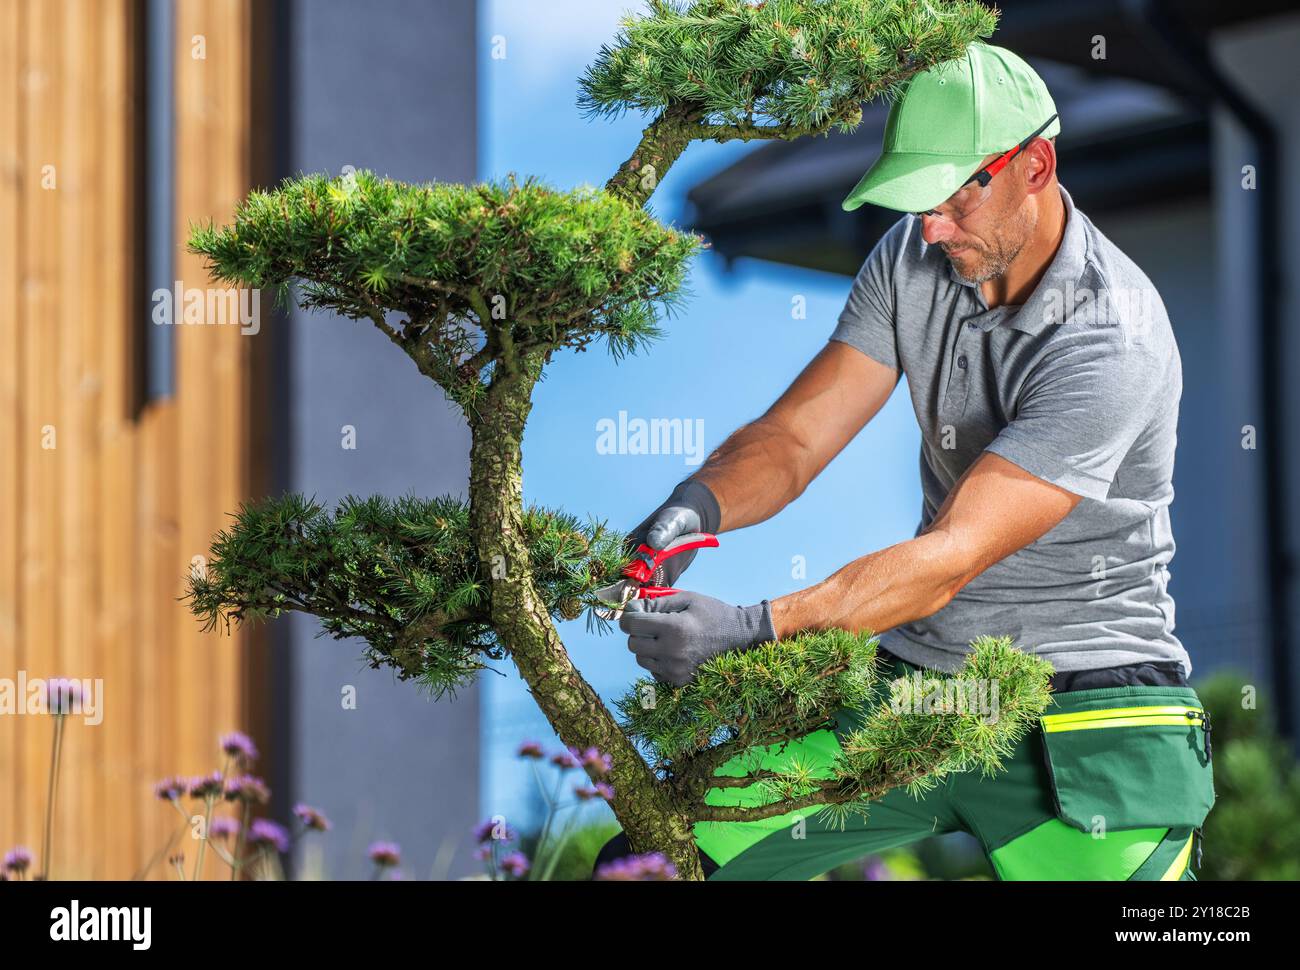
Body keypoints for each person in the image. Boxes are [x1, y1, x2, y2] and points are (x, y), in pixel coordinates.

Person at [595, 42, 1214, 881]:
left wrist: (748, 632)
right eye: (917, 198)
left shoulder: (1115, 337)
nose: (930, 225)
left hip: (1087, 708)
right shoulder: (916, 257)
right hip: (914, 681)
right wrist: (691, 507)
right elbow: (793, 441)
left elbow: (951, 558)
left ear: (1035, 164)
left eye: (954, 193)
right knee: (652, 863)